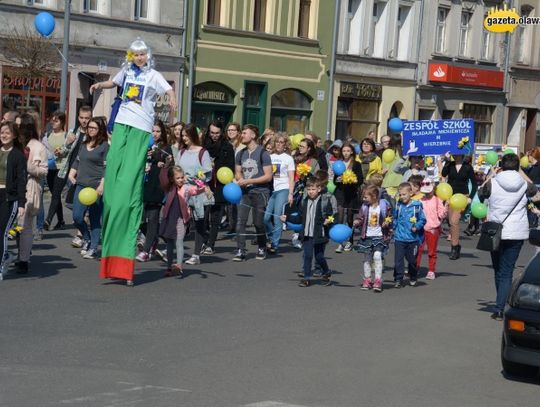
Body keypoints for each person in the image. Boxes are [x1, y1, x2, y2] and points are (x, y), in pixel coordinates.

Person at [90, 38, 177, 286]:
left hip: (140, 128)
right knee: (115, 167)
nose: (139, 58)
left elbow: (168, 88)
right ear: (131, 57)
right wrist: (99, 85)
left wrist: (172, 98)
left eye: (142, 55)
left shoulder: (153, 75)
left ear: (147, 56)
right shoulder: (127, 71)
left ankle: (126, 256)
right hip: (121, 125)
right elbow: (112, 82)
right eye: (136, 55)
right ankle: (112, 190)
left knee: (130, 179)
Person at [478, 153, 537, 320]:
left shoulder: (493, 182)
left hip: (495, 231)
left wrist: (491, 175)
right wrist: (521, 172)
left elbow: (481, 195)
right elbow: (535, 191)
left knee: (498, 270)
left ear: (501, 166)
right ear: (518, 166)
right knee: (507, 271)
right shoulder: (524, 184)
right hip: (516, 232)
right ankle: (501, 305)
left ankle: (500, 306)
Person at [281, 176, 337, 287]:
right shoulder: (304, 202)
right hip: (306, 234)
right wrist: (287, 218)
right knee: (307, 256)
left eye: (313, 189)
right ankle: (306, 278)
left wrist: (328, 221)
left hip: (319, 234)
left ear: (319, 189)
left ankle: (326, 271)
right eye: (309, 189)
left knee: (319, 257)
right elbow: (300, 218)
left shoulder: (324, 202)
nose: (311, 192)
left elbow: (332, 216)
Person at [68, 118, 109, 259]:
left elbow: (106, 167)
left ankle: (93, 248)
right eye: (89, 127)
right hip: (81, 185)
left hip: (96, 187)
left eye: (94, 128)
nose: (90, 129)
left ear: (100, 130)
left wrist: (102, 185)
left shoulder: (104, 146)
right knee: (77, 217)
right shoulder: (84, 144)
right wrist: (71, 173)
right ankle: (87, 237)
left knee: (94, 218)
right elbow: (77, 161)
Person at [233, 124, 273, 261]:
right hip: (244, 192)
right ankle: (240, 250)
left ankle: (262, 247)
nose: (242, 135)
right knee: (240, 221)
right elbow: (238, 173)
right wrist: (241, 180)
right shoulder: (240, 153)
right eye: (242, 133)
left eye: (244, 133)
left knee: (258, 223)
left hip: (260, 192)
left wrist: (251, 181)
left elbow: (268, 176)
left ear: (253, 135)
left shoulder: (263, 153)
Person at [55, 105, 92, 248]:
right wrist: (66, 144)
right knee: (70, 202)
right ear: (78, 118)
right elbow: (64, 151)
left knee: (83, 203)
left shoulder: (93, 133)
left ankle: (80, 234)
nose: (84, 121)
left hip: (86, 173)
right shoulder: (73, 132)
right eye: (82, 118)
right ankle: (84, 227)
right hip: (70, 172)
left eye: (87, 118)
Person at [177, 123, 213, 265]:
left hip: (198, 191)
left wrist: (198, 177)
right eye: (182, 136)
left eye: (186, 135)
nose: (184, 138)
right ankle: (175, 250)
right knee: (180, 221)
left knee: (199, 222)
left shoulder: (202, 152)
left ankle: (196, 254)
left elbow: (207, 173)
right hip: (183, 191)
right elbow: (177, 170)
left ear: (192, 135)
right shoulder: (181, 152)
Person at [16, 114, 48, 274]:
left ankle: (23, 260)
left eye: (18, 126)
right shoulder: (13, 143)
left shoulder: (38, 146)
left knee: (25, 226)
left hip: (29, 187)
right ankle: (17, 254)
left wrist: (30, 167)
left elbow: (43, 170)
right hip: (10, 187)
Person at [136, 119, 170, 262]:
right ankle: (153, 239)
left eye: (158, 131)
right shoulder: (144, 145)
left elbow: (169, 165)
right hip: (142, 185)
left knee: (153, 218)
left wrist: (160, 163)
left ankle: (146, 250)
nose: (155, 134)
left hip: (157, 187)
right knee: (140, 218)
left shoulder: (165, 148)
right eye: (153, 131)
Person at [159, 166, 202, 278]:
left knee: (179, 242)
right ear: (172, 179)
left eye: (182, 177)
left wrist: (202, 184)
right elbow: (163, 179)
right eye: (178, 178)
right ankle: (169, 267)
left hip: (180, 219)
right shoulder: (169, 187)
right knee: (169, 244)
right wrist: (165, 166)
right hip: (169, 218)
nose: (181, 180)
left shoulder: (186, 188)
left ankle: (179, 266)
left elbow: (196, 190)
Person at [201, 120, 235, 255]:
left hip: (220, 184)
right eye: (212, 133)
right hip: (205, 184)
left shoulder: (227, 147)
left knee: (215, 216)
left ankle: (211, 244)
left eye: (217, 133)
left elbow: (231, 166)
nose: (214, 135)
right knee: (202, 215)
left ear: (222, 133)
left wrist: (219, 168)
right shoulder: (204, 145)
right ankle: (203, 239)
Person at [353, 185, 392, 292]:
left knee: (377, 256)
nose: (363, 199)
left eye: (366, 197)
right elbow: (360, 218)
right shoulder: (365, 207)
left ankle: (378, 280)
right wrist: (357, 221)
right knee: (367, 258)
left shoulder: (383, 206)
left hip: (379, 235)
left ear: (374, 196)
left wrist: (387, 222)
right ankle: (367, 279)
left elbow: (389, 217)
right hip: (367, 236)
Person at [0, 122, 27, 278]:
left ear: (14, 136)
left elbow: (21, 181)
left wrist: (21, 203)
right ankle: (6, 256)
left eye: (7, 133)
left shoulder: (18, 155)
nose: (4, 135)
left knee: (3, 232)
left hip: (9, 197)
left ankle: (1, 263)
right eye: (2, 132)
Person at [441, 154, 476, 260]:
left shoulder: (467, 166)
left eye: (458, 154)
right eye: (454, 154)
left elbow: (474, 184)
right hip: (450, 196)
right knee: (451, 221)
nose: (456, 156)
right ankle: (456, 244)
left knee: (454, 221)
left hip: (462, 197)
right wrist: (446, 161)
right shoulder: (450, 165)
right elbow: (443, 174)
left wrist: (470, 197)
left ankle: (454, 248)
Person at [264, 133, 295, 254]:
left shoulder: (288, 158)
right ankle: (272, 238)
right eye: (277, 142)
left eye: (282, 142)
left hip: (284, 188)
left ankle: (274, 244)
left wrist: (291, 194)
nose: (279, 144)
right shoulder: (269, 156)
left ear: (285, 144)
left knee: (277, 217)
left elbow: (291, 178)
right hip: (272, 189)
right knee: (266, 218)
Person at [393, 182, 426, 288]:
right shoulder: (398, 205)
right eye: (400, 195)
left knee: (412, 260)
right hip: (399, 238)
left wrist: (417, 226)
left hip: (413, 239)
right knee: (398, 260)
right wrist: (391, 227)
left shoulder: (417, 206)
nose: (402, 197)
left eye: (404, 194)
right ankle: (398, 278)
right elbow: (395, 218)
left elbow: (423, 219)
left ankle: (413, 275)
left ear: (411, 193)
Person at [334, 142, 363, 253]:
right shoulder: (339, 163)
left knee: (350, 218)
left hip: (351, 193)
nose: (345, 153)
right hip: (341, 192)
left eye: (348, 151)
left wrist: (352, 179)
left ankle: (350, 241)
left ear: (351, 152)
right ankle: (340, 242)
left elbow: (360, 180)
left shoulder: (356, 164)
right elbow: (335, 180)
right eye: (344, 151)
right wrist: (338, 180)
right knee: (340, 217)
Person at [416, 177, 447, 280]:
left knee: (432, 251)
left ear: (433, 188)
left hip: (433, 229)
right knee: (418, 250)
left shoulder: (438, 200)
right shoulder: (420, 200)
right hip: (420, 229)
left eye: (428, 191)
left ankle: (431, 270)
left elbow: (441, 215)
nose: (427, 193)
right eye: (425, 191)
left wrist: (446, 207)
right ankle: (415, 268)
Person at [42, 110, 68, 230]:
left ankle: (48, 220)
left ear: (62, 122)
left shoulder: (67, 136)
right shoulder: (47, 135)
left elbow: (69, 151)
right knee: (54, 195)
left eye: (56, 120)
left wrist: (62, 152)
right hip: (50, 168)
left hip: (61, 169)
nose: (53, 122)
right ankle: (61, 220)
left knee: (56, 194)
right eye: (52, 119)